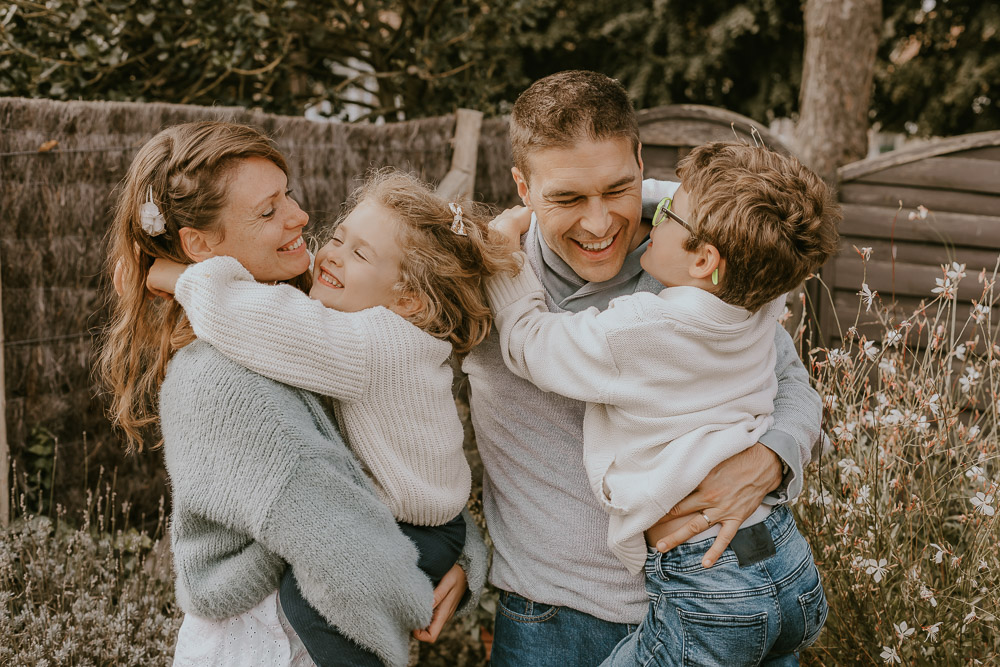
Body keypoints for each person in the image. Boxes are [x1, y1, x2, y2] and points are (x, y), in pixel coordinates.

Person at [461, 70, 826, 665]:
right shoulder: (479, 275)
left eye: (617, 189)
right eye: (568, 199)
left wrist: (771, 459)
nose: (600, 223)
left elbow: (790, 381)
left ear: (639, 159)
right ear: (522, 187)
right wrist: (448, 547)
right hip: (551, 621)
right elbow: (394, 392)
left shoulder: (703, 256)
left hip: (718, 609)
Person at [98, 122, 486, 667]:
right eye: (268, 209)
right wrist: (424, 582)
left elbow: (392, 476)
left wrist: (462, 554)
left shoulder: (329, 326)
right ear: (199, 246)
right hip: (264, 645)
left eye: (288, 193)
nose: (302, 217)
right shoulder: (222, 380)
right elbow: (341, 539)